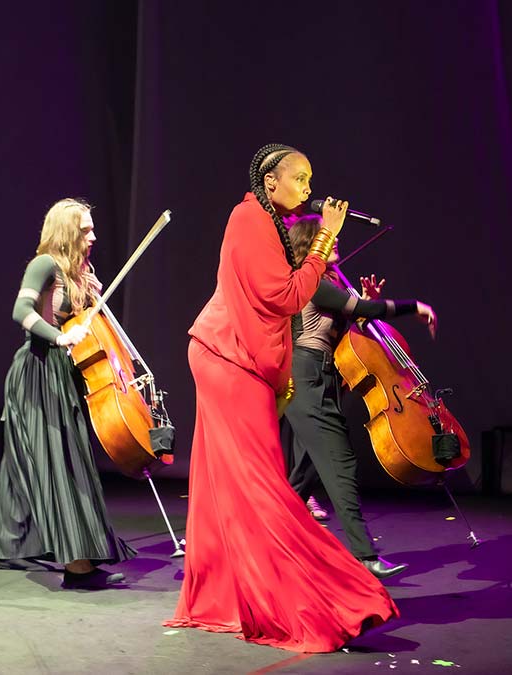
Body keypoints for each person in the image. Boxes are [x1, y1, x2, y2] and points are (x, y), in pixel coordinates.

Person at [165, 143, 398, 652]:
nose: (309, 189)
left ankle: (226, 594)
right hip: (229, 357)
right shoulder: (249, 219)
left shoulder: (261, 222)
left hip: (229, 354)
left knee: (230, 482)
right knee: (260, 483)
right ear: (270, 181)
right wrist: (325, 241)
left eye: (310, 180)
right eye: (300, 179)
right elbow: (288, 296)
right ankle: (325, 594)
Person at [0, 198, 136, 589]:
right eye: (85, 229)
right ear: (66, 232)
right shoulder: (44, 264)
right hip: (38, 372)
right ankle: (77, 567)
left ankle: (12, 543)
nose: (93, 235)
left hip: (64, 372)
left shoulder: (83, 273)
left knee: (26, 461)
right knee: (60, 462)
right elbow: (22, 312)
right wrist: (61, 335)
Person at [281, 218, 438, 580]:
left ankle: (262, 541)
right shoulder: (314, 283)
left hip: (320, 376)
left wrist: (366, 303)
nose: (336, 241)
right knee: (342, 463)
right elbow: (362, 313)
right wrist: (413, 306)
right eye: (329, 238)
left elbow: (354, 320)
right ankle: (365, 555)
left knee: (303, 474)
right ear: (310, 244)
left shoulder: (327, 283)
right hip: (306, 375)